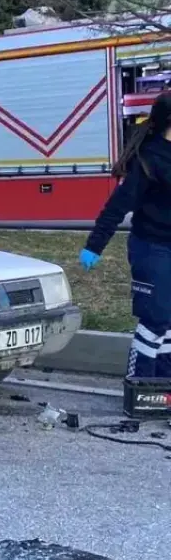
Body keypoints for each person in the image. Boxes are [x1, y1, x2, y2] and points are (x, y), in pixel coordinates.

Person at [81, 91, 171, 379]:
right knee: (155, 320)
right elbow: (117, 206)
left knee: (169, 324)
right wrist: (94, 246)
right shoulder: (150, 159)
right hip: (152, 249)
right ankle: (139, 385)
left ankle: (162, 385)